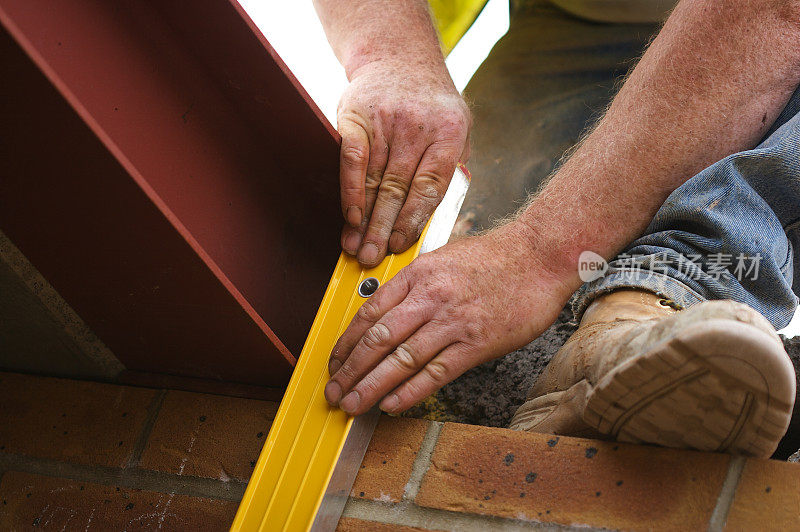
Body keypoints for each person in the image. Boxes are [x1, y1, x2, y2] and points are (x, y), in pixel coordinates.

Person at [312, 0, 800, 457]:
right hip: (572, 17)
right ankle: (567, 365)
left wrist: (535, 254)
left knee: (525, 264)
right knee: (473, 242)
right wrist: (394, 60)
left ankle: (665, 298)